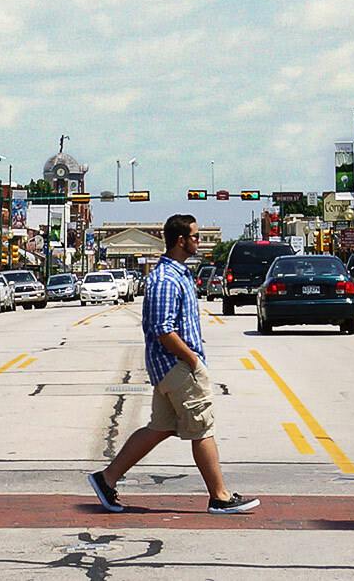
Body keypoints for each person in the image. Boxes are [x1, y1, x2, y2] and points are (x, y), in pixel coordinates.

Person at [88, 214, 258, 515]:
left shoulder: (177, 274)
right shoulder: (165, 279)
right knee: (203, 428)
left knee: (160, 427)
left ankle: (107, 479)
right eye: (195, 236)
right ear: (181, 240)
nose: (198, 241)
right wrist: (192, 360)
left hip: (170, 367)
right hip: (177, 367)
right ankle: (219, 496)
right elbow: (163, 329)